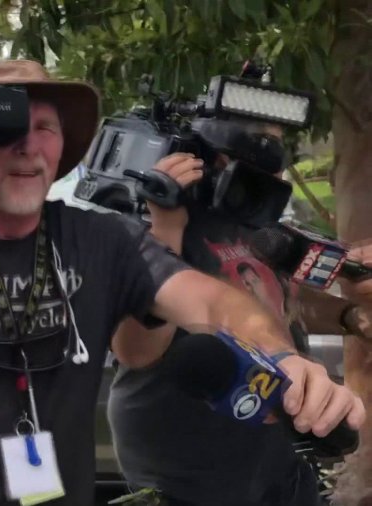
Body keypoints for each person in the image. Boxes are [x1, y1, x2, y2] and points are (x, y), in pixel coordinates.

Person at [0, 59, 366, 506]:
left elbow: (215, 304)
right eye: (4, 126)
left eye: (46, 128)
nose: (27, 146)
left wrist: (283, 358)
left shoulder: (102, 240)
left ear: (63, 150)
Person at [108, 120, 372, 505]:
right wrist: (166, 227)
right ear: (211, 157)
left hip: (278, 464)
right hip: (189, 475)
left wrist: (351, 316)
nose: (273, 165)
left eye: (278, 150)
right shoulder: (159, 227)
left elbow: (284, 302)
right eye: (256, 150)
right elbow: (134, 350)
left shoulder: (262, 229)